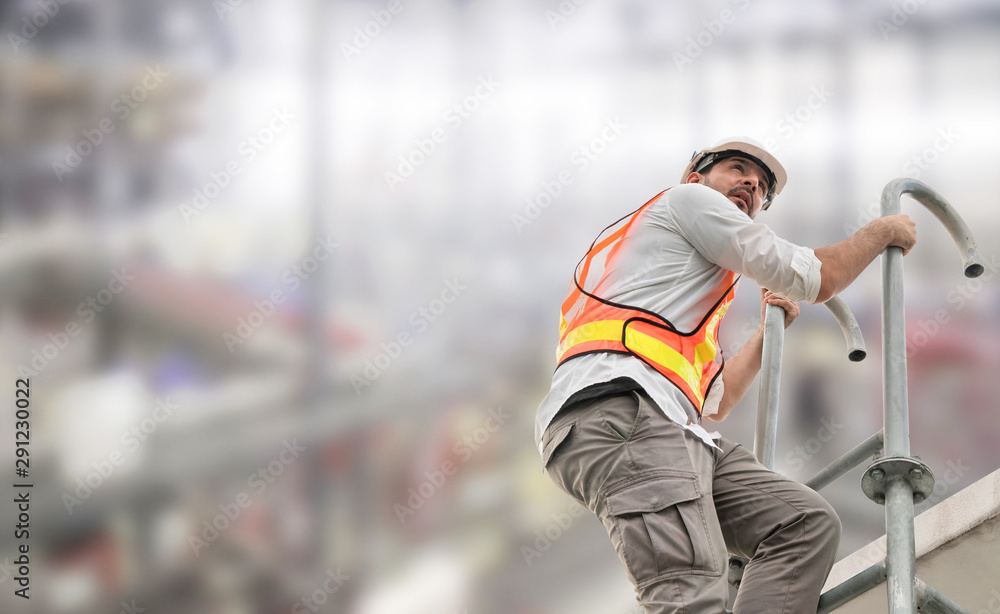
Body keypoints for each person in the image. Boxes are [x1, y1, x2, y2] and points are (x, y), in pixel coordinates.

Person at [534, 137, 917, 614]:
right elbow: (816, 277)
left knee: (802, 524)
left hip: (662, 420)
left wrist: (763, 335)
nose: (752, 184)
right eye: (738, 169)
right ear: (697, 178)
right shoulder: (686, 200)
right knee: (688, 592)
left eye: (762, 188)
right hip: (624, 413)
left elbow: (715, 400)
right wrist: (881, 233)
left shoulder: (679, 287)